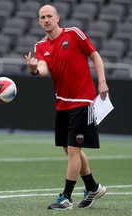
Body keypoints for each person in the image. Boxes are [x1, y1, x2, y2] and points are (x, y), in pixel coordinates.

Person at [25, 5, 109, 210]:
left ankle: (66, 198)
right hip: (62, 103)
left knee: (73, 150)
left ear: (57, 18)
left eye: (49, 16)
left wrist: (102, 81)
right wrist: (35, 69)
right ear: (39, 21)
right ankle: (92, 187)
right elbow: (44, 69)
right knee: (68, 148)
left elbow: (94, 55)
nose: (46, 20)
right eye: (42, 17)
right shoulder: (40, 45)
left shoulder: (74, 34)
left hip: (83, 101)